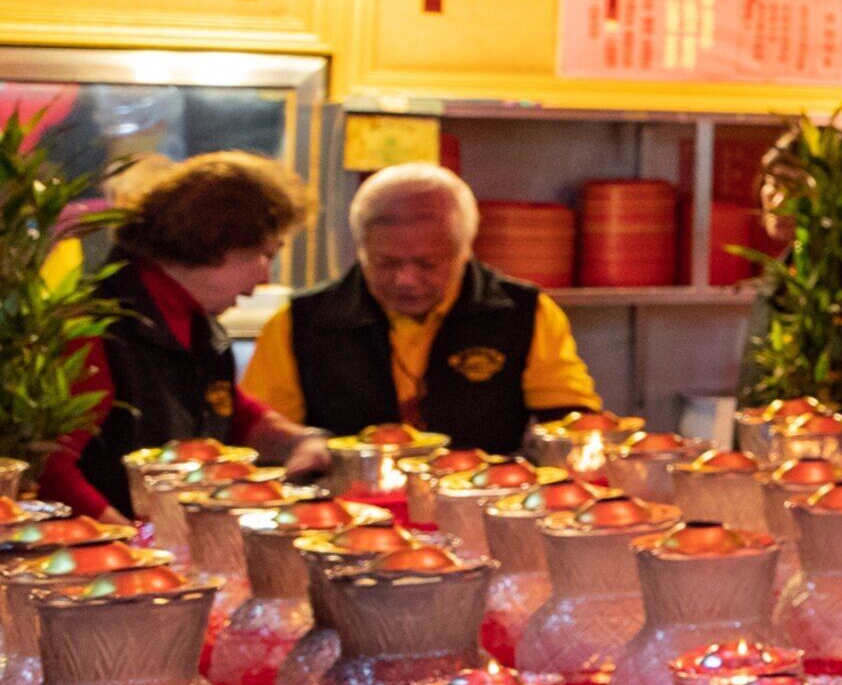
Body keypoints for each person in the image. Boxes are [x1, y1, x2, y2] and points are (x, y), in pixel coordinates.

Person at [240, 164, 599, 456]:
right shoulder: (300, 322)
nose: (406, 280)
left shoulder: (523, 312)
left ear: (465, 249)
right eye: (385, 263)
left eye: (427, 264)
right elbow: (263, 434)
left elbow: (570, 419)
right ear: (360, 249)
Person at [50, 153, 329, 515]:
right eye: (265, 254)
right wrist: (128, 546)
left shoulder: (193, 319)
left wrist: (299, 441)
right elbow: (50, 471)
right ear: (212, 242)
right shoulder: (93, 330)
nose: (266, 278)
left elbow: (222, 408)